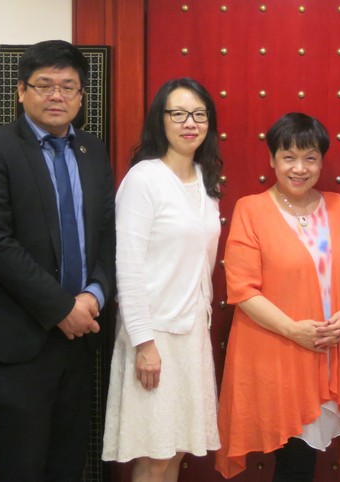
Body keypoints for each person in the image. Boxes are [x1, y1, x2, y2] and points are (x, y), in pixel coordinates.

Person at [0, 40, 115, 482]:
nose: (56, 95)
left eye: (68, 86)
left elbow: (106, 234)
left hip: (81, 336)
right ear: (21, 91)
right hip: (17, 338)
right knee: (21, 466)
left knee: (68, 462)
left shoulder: (92, 150)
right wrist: (62, 308)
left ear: (82, 97)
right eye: (44, 85)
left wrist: (93, 294)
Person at [216, 113, 340, 480]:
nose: (299, 168)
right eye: (289, 157)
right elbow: (243, 290)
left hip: (334, 350)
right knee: (294, 457)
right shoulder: (251, 209)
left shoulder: (339, 207)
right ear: (272, 159)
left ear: (322, 160)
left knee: (305, 458)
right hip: (280, 351)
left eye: (310, 158)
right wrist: (294, 330)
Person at [101, 78, 223, 480]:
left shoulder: (207, 181)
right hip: (154, 334)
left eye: (199, 114)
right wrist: (144, 343)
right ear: (162, 119)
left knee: (175, 451)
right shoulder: (144, 179)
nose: (190, 123)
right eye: (179, 113)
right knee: (152, 455)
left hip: (190, 333)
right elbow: (128, 266)